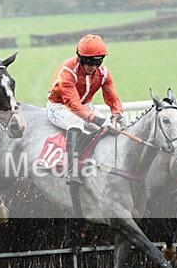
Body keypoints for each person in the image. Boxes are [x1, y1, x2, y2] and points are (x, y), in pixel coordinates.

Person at [46, 34, 127, 185]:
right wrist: (97, 119)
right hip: (58, 106)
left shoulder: (103, 73)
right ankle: (72, 171)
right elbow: (73, 104)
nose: (93, 67)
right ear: (80, 58)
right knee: (76, 122)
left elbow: (111, 97)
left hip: (84, 106)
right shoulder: (68, 70)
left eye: (97, 62)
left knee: (110, 126)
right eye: (89, 62)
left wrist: (118, 112)